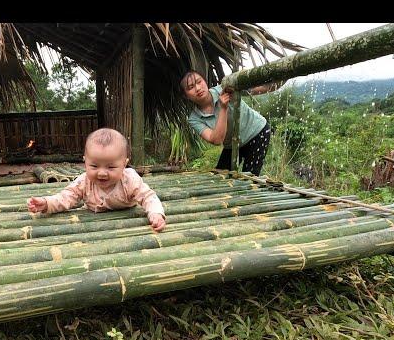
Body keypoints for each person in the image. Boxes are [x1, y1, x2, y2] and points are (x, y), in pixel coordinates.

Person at [28, 128, 166, 232]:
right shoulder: (84, 181)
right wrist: (47, 203)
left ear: (124, 164)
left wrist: (156, 213)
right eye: (94, 166)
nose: (101, 173)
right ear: (85, 162)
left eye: (111, 167)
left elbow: (148, 197)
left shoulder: (129, 179)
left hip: (126, 227)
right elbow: (66, 197)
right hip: (91, 226)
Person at [181, 70, 282, 176]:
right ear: (186, 96)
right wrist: (223, 109)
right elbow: (216, 140)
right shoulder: (194, 118)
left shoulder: (224, 89)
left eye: (199, 82)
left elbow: (257, 89)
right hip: (232, 145)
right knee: (219, 177)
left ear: (205, 81)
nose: (198, 88)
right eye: (191, 87)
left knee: (248, 179)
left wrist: (282, 76)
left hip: (257, 132)